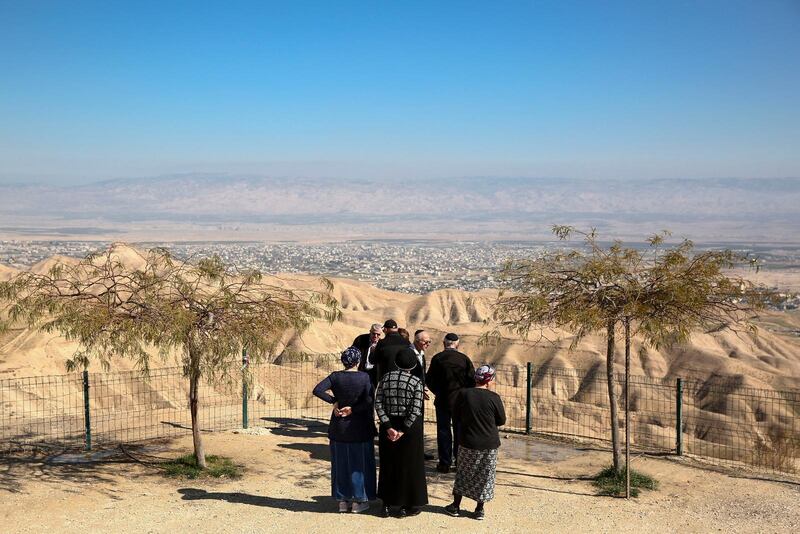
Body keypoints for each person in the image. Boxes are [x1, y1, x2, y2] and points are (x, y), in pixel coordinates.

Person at [312, 346, 377, 514]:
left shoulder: (335, 377)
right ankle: (359, 501)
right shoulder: (364, 377)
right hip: (360, 428)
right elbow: (370, 400)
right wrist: (353, 409)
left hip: (338, 428)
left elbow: (317, 390)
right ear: (358, 361)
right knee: (360, 465)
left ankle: (342, 501)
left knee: (340, 465)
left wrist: (335, 401)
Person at [445, 365, 506, 521]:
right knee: (485, 475)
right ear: (488, 380)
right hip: (489, 443)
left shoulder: (464, 394)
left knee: (464, 473)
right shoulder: (495, 398)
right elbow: (501, 420)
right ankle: (479, 510)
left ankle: (455, 506)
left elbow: (456, 415)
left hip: (468, 441)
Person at [374, 347, 428, 517]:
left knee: (389, 464)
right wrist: (403, 430)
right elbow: (416, 409)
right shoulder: (415, 382)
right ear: (413, 365)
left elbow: (379, 403)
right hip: (409, 429)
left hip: (388, 426)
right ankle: (407, 505)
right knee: (410, 465)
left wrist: (388, 426)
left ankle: (387, 504)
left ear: (396, 362)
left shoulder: (385, 378)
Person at [426, 332, 475, 473]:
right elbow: (471, 381)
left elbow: (429, 380)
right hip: (460, 402)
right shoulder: (464, 359)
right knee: (459, 431)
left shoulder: (437, 359)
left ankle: (444, 463)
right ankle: (459, 462)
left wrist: (439, 392)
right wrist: (463, 394)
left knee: (443, 431)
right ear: (457, 344)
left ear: (444, 343)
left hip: (442, 401)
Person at [411, 329, 435, 461]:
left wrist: (424, 387)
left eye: (429, 342)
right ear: (417, 341)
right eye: (426, 342)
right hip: (411, 395)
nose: (428, 344)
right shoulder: (409, 354)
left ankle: (419, 450)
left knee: (419, 423)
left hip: (419, 393)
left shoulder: (422, 354)